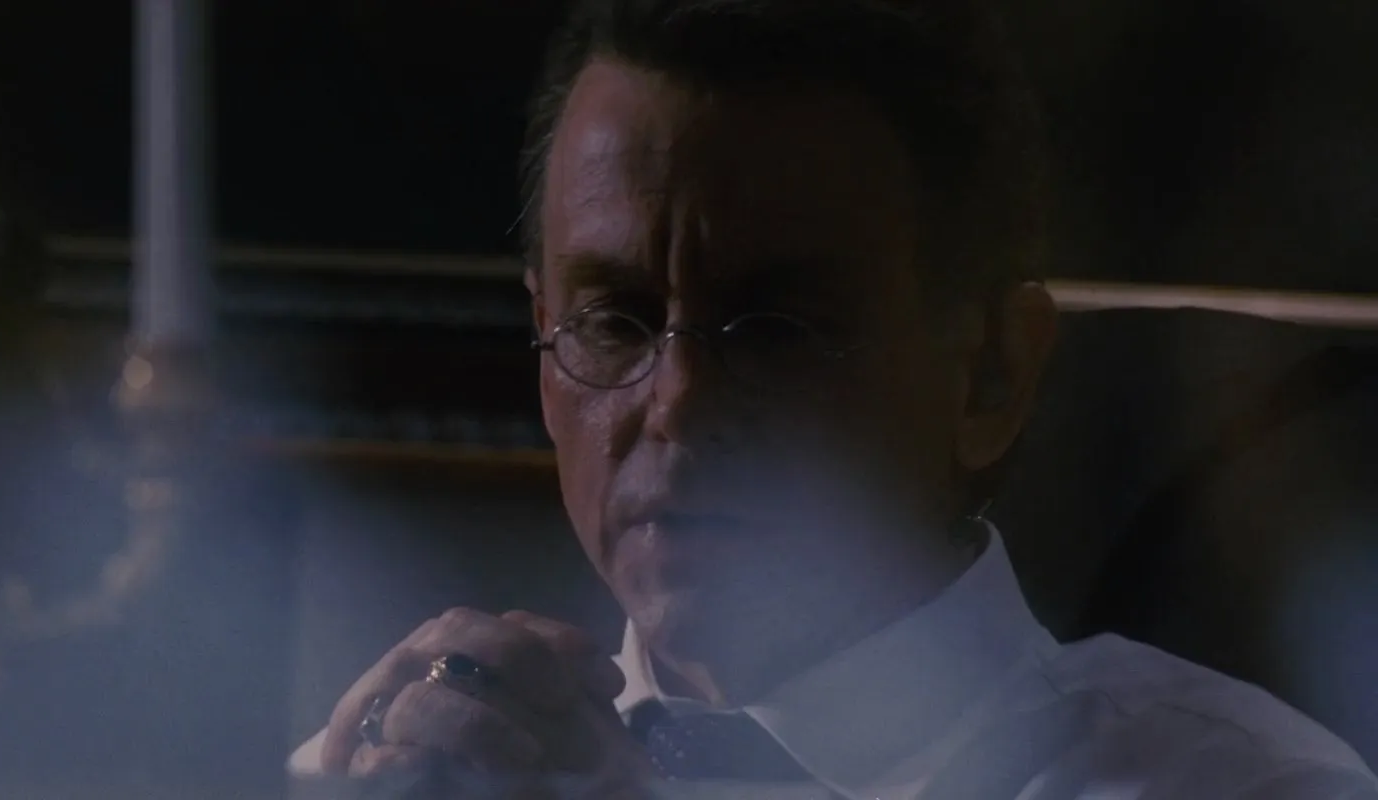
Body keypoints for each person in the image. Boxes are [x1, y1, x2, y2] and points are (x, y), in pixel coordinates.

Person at [289, 0, 1378, 797]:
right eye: (613, 321)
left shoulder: (1245, 786)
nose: (677, 403)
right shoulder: (407, 768)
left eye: (779, 330)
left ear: (992, 372)